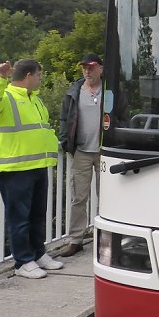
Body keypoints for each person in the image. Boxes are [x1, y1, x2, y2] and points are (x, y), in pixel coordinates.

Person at [0, 59, 64, 279]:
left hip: (37, 165)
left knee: (37, 215)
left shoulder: (34, 99)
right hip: (14, 167)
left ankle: (38, 253)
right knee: (20, 217)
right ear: (28, 76)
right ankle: (23, 261)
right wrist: (0, 78)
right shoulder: (5, 97)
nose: (40, 79)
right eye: (39, 75)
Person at [56, 53, 104, 257]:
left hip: (105, 152)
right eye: (84, 67)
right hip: (81, 151)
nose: (87, 71)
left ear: (100, 69)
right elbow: (64, 119)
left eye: (91, 67)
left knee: (109, 197)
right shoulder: (74, 92)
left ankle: (107, 237)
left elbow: (122, 116)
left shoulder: (111, 91)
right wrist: (66, 142)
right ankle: (76, 239)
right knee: (78, 197)